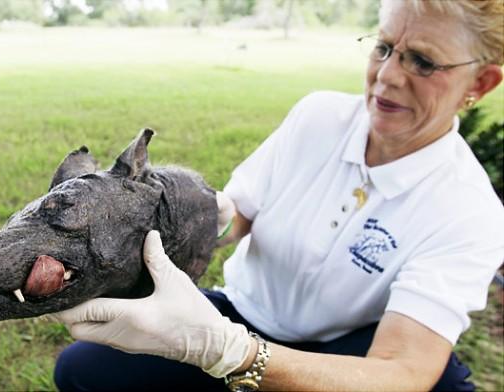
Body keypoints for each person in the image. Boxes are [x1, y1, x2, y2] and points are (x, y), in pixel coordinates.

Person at [52, 0, 504, 391]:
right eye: (383, 48)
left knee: (443, 386)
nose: (387, 76)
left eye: (422, 62)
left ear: (480, 84)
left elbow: (403, 369)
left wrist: (233, 354)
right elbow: (239, 214)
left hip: (343, 347)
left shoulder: (468, 211)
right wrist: (186, 218)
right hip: (240, 314)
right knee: (82, 371)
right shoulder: (319, 117)